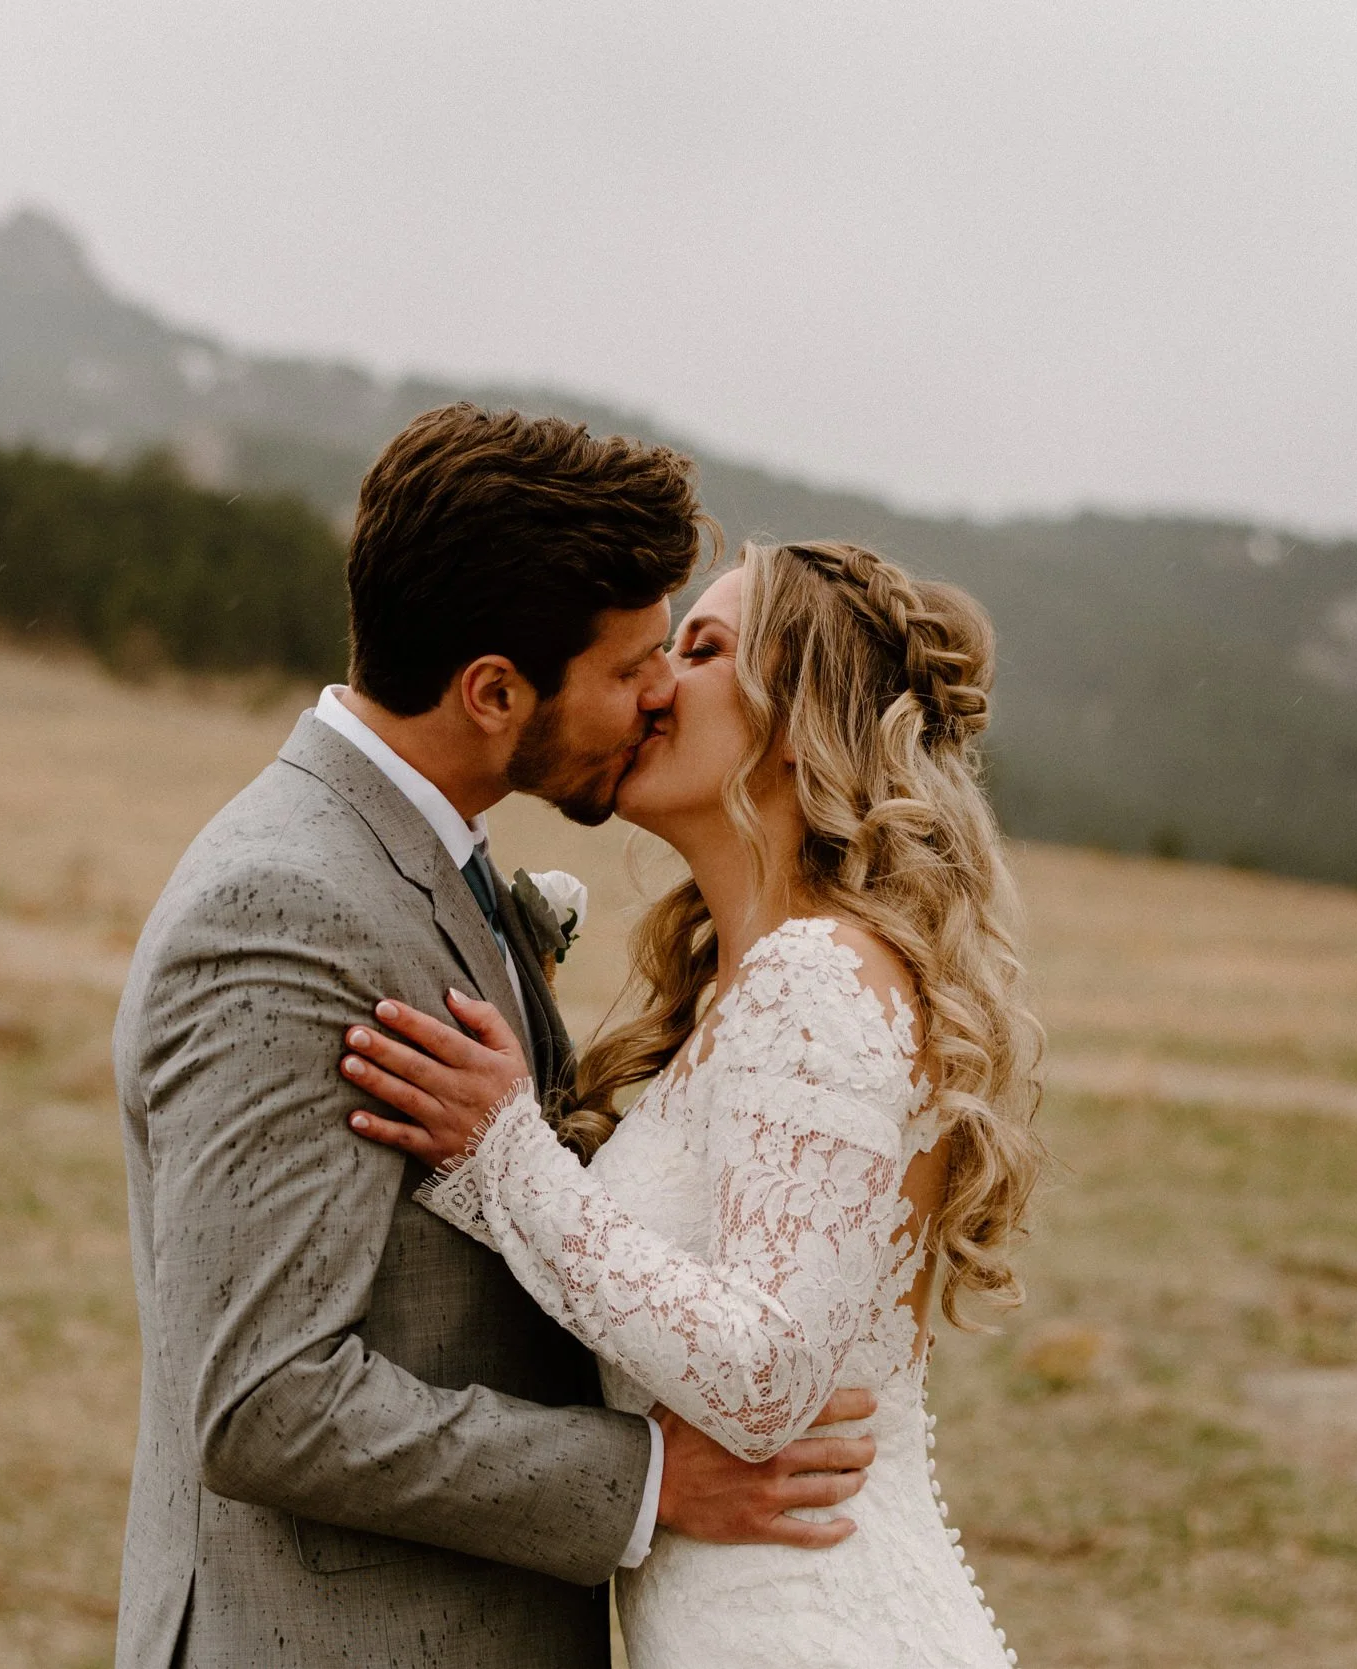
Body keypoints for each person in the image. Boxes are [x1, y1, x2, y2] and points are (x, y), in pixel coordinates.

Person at [112, 406, 879, 1669]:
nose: (656, 700)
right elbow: (262, 1400)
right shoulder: (286, 907)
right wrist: (641, 1483)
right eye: (633, 664)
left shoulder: (424, 858)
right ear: (492, 691)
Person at [340, 539, 1044, 1668]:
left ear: (796, 711)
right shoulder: (742, 986)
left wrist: (505, 1155)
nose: (654, 682)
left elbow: (762, 1378)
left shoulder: (817, 975)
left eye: (702, 648)